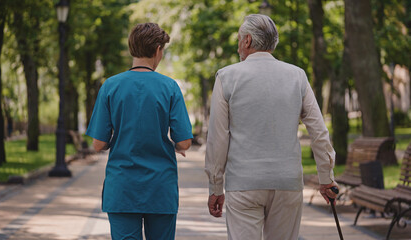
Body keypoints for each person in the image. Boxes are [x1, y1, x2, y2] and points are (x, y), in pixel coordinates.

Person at [205, 14, 339, 240]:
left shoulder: (227, 77)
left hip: (243, 184)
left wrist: (216, 187)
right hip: (287, 183)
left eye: (239, 39)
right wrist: (326, 177)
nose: (239, 45)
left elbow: (218, 139)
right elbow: (318, 130)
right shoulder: (297, 76)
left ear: (247, 41)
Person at [86, 23, 193, 240]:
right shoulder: (170, 87)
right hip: (160, 188)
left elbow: (98, 144)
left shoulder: (110, 86)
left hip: (122, 188)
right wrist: (175, 145)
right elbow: (184, 143)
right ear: (157, 50)